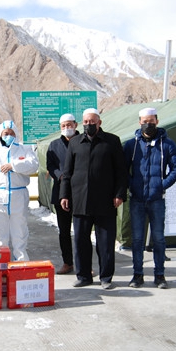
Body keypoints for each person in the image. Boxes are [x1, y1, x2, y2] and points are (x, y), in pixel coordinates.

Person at [60, 108, 127, 289]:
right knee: (81, 241)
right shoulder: (75, 143)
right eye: (86, 122)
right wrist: (64, 195)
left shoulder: (112, 141)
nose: (88, 125)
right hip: (80, 200)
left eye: (92, 122)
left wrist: (119, 194)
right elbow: (67, 172)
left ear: (99, 122)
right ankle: (83, 276)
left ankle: (106, 277)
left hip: (105, 201)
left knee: (105, 242)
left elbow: (121, 171)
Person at [123, 107, 176, 289]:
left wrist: (161, 185)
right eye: (144, 121)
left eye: (151, 121)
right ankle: (137, 275)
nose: (148, 124)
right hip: (137, 199)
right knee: (137, 239)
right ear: (139, 122)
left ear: (157, 121)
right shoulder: (131, 145)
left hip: (157, 199)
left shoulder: (167, 144)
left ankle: (160, 275)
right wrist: (132, 185)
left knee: (158, 238)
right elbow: (123, 169)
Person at [0, 120, 39, 261]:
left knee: (20, 230)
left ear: (16, 134)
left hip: (18, 195)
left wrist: (14, 165)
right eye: (6, 133)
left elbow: (33, 165)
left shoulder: (24, 149)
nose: (8, 136)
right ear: (0, 134)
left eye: (12, 133)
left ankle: (21, 261)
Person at [46, 113, 79, 274]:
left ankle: (83, 264)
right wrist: (61, 175)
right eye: (63, 126)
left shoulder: (84, 141)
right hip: (61, 192)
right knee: (64, 231)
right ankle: (68, 262)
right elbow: (50, 166)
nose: (67, 128)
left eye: (69, 125)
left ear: (76, 125)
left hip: (80, 192)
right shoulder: (54, 145)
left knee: (82, 231)